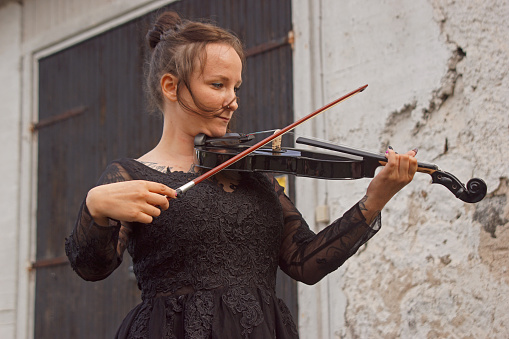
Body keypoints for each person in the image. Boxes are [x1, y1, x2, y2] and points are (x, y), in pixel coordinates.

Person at [65, 11, 418, 339]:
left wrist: (375, 199)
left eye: (236, 87)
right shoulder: (128, 175)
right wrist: (95, 207)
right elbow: (93, 268)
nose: (233, 100)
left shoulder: (255, 177)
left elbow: (305, 262)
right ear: (171, 87)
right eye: (218, 85)